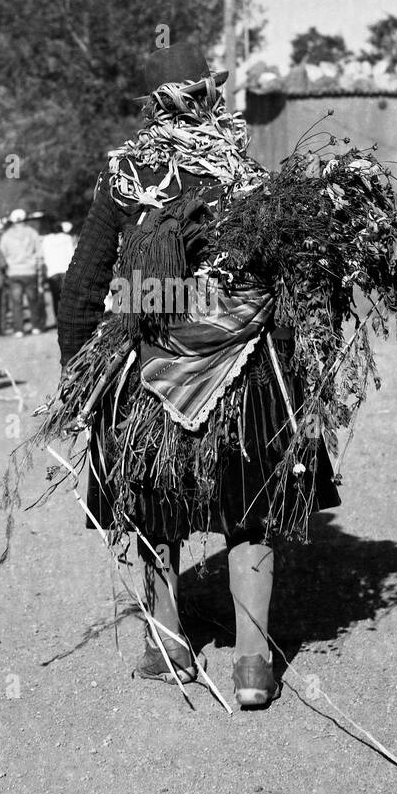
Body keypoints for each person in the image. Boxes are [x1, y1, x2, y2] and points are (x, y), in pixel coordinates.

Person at [49, 42, 342, 708]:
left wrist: (82, 377)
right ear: (212, 97)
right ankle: (252, 668)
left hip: (149, 364)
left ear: (152, 105)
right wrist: (304, 371)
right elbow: (290, 280)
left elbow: (84, 285)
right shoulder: (244, 171)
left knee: (151, 508)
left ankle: (171, 647)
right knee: (254, 513)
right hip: (248, 371)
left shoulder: (127, 177)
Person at [0, 208, 45, 334]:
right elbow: (39, 252)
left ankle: (19, 329)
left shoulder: (6, 235)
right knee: (33, 301)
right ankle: (35, 326)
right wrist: (38, 268)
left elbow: (2, 253)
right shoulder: (32, 233)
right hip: (30, 271)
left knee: (16, 303)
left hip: (13, 272)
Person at [41, 220, 75, 322]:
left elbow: (44, 256)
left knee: (56, 297)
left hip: (52, 271)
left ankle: (58, 319)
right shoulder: (67, 238)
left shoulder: (46, 240)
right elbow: (72, 254)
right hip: (66, 270)